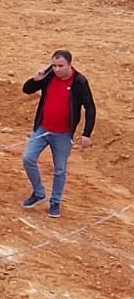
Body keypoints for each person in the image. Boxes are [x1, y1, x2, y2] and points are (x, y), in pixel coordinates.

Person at [21, 50, 96, 218]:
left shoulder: (79, 82)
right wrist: (36, 80)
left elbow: (90, 108)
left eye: (60, 66)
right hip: (43, 128)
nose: (56, 69)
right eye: (54, 65)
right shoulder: (48, 75)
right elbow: (27, 90)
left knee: (60, 170)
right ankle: (39, 193)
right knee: (28, 158)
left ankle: (55, 202)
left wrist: (86, 133)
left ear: (70, 64)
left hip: (62, 134)